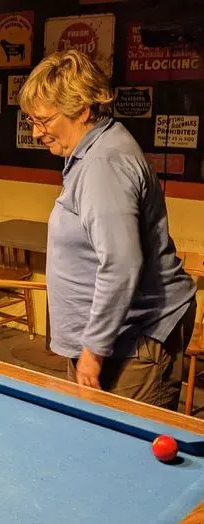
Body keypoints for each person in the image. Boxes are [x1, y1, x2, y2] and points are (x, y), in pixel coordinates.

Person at [18, 49, 196, 410]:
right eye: (31, 121)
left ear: (82, 110)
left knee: (124, 442)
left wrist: (94, 350)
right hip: (116, 342)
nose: (36, 133)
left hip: (133, 343)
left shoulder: (104, 162)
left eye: (44, 121)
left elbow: (121, 265)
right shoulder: (94, 149)